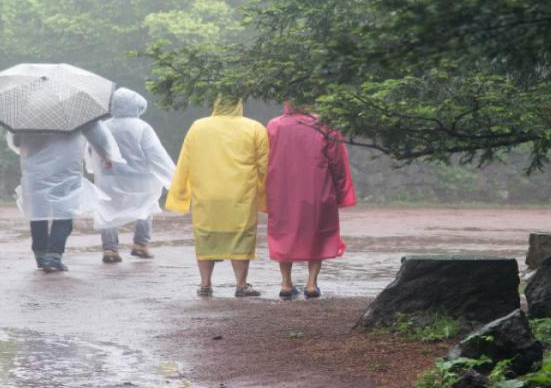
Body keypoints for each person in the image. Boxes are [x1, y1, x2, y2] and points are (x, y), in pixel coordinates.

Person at [165, 95, 268, 297]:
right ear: (239, 103)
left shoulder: (198, 127)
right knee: (241, 236)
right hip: (240, 194)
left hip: (207, 193)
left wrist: (180, 192)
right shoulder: (254, 127)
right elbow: (265, 165)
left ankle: (205, 284)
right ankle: (241, 285)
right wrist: (266, 193)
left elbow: (185, 162)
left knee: (205, 236)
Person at [265, 103, 357, 299]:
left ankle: (286, 283)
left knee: (284, 233)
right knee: (318, 233)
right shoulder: (325, 125)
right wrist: (341, 190)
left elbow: (266, 159)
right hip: (317, 187)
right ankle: (312, 284)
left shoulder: (274, 126)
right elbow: (337, 160)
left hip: (283, 190)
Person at [9, 120, 121, 273]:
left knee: (38, 212)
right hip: (66, 168)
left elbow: (16, 141)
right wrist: (106, 156)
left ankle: (41, 254)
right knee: (65, 211)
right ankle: (54, 256)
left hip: (35, 169)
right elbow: (97, 135)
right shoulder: (79, 109)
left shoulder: (30, 113)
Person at [88, 88, 175, 263]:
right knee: (146, 206)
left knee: (108, 211)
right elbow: (155, 153)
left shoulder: (104, 126)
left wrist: (95, 168)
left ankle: (110, 249)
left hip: (110, 178)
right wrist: (173, 177)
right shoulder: (142, 127)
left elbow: (91, 150)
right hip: (140, 178)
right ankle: (141, 245)